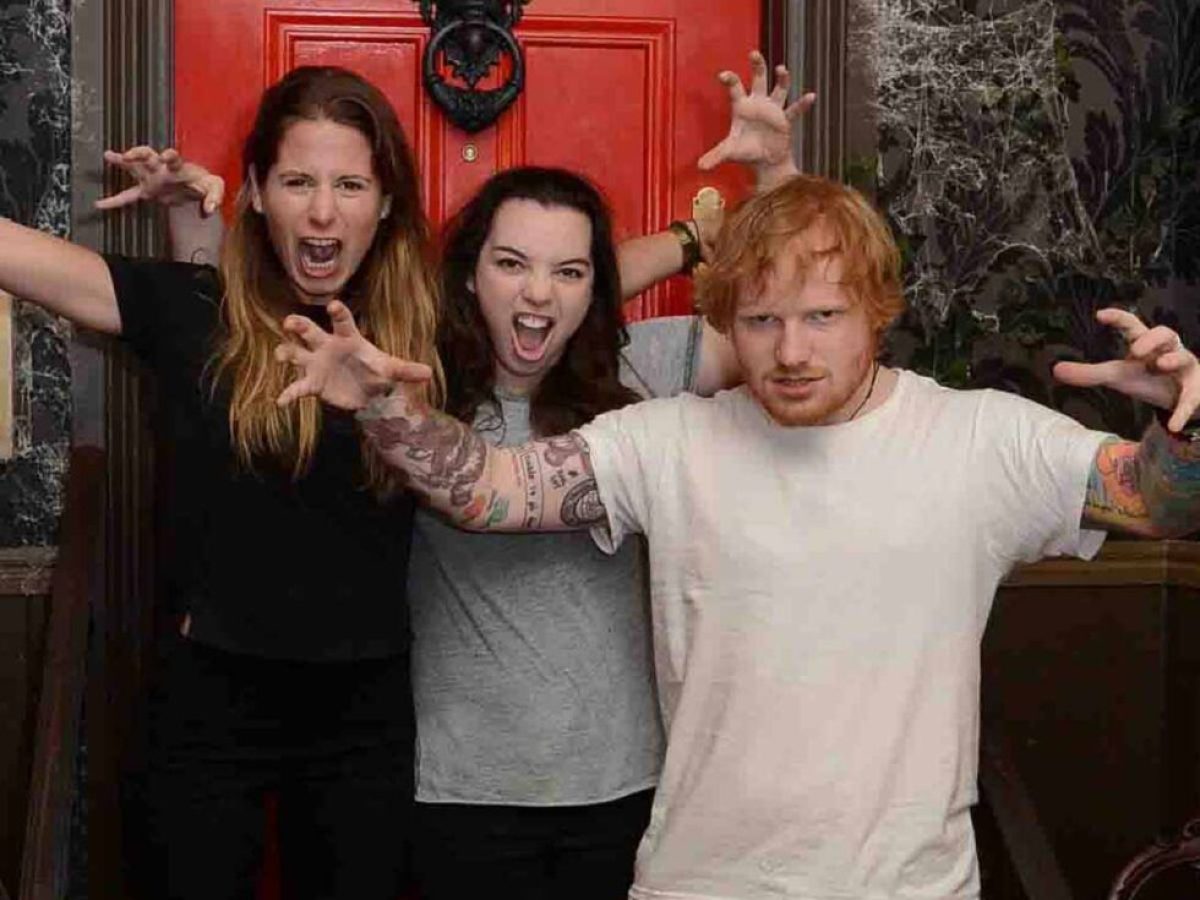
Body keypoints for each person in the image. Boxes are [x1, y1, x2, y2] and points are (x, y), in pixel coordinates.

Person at [277, 173, 1200, 900]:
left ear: (878, 309)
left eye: (821, 318)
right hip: (696, 884)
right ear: (727, 323)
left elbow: (1156, 504)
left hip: (904, 890)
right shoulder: (669, 438)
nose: (790, 351)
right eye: (760, 322)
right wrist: (387, 407)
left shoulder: (979, 439)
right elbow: (489, 490)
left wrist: (1183, 432)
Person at [146, 50, 809, 899]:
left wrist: (775, 177)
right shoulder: (412, 377)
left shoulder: (643, 367)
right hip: (454, 796)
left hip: (623, 788)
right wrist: (206, 230)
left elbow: (799, 325)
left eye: (568, 274)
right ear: (465, 276)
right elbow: (255, 325)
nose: (539, 294)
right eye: (509, 266)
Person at [0, 66, 442, 900]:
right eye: (297, 181)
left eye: (350, 184)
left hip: (365, 711)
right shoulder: (196, 308)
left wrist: (707, 227)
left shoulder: (432, 324)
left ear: (385, 203)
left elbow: (575, 292)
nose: (322, 211)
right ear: (256, 196)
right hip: (209, 702)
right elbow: (23, 258)